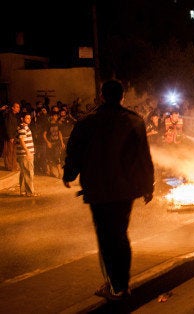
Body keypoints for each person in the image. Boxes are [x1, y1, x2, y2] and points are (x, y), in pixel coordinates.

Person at [62, 79, 155, 301]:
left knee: (106, 237)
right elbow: (144, 158)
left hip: (98, 189)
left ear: (102, 96)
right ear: (122, 97)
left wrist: (69, 174)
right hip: (125, 189)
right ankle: (121, 284)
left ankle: (116, 285)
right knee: (120, 235)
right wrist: (147, 186)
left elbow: (74, 151)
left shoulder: (87, 122)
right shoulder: (134, 121)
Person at [16, 113, 36, 196]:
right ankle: (30, 192)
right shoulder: (22, 127)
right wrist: (27, 151)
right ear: (22, 118)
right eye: (27, 118)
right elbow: (21, 140)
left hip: (24, 153)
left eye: (30, 118)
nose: (29, 119)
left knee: (24, 172)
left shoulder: (23, 127)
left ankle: (23, 191)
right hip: (25, 154)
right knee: (29, 172)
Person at [43, 113, 65, 178]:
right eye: (54, 115)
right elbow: (44, 135)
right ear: (52, 116)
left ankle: (59, 173)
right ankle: (51, 172)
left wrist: (62, 142)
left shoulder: (58, 124)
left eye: (56, 116)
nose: (56, 117)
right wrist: (47, 142)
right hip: (50, 143)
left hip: (57, 143)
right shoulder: (48, 124)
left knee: (57, 157)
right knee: (50, 158)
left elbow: (60, 134)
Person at [3, 102, 21, 171]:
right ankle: (9, 166)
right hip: (9, 137)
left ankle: (13, 166)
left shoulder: (15, 116)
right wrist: (10, 137)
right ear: (13, 108)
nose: (18, 108)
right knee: (9, 152)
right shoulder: (9, 115)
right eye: (17, 107)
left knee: (13, 152)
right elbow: (8, 126)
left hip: (14, 136)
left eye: (19, 107)